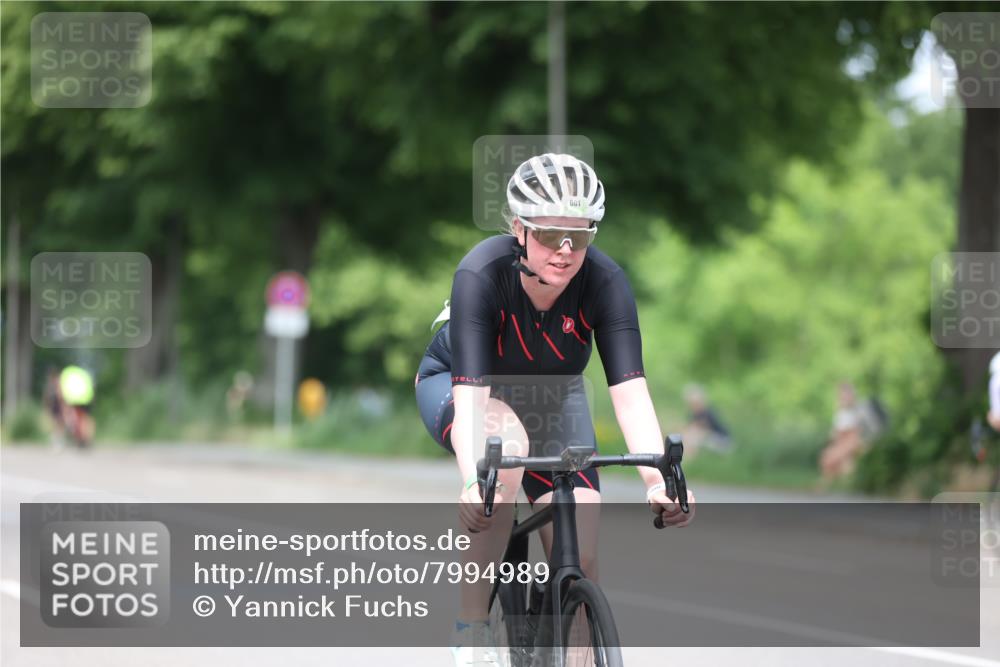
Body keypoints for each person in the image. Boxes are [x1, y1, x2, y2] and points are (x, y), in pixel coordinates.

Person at [414, 153, 696, 666]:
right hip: (465, 386)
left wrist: (658, 482)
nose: (565, 251)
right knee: (504, 458)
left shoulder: (605, 281)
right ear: (519, 230)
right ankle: (472, 631)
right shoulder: (481, 272)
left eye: (580, 237)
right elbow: (473, 399)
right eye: (549, 235)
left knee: (581, 557)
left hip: (554, 397)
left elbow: (631, 392)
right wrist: (474, 481)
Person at [819, 381, 870, 481]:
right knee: (828, 459)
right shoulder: (841, 408)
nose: (842, 396)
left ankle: (845, 478)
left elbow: (854, 427)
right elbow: (838, 425)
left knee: (839, 461)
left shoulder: (854, 408)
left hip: (849, 436)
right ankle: (827, 481)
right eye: (841, 394)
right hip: (842, 437)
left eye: (844, 393)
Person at [681, 383, 732, 455]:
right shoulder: (693, 414)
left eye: (696, 403)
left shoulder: (709, 413)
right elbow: (690, 428)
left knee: (695, 437)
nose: (694, 405)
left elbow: (704, 430)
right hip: (708, 440)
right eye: (691, 403)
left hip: (721, 439)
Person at [58, 364, 95, 448]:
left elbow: (61, 388)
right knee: (85, 419)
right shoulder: (83, 373)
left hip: (73, 398)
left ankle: (78, 437)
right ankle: (87, 437)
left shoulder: (66, 372)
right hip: (87, 397)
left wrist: (62, 400)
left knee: (74, 418)